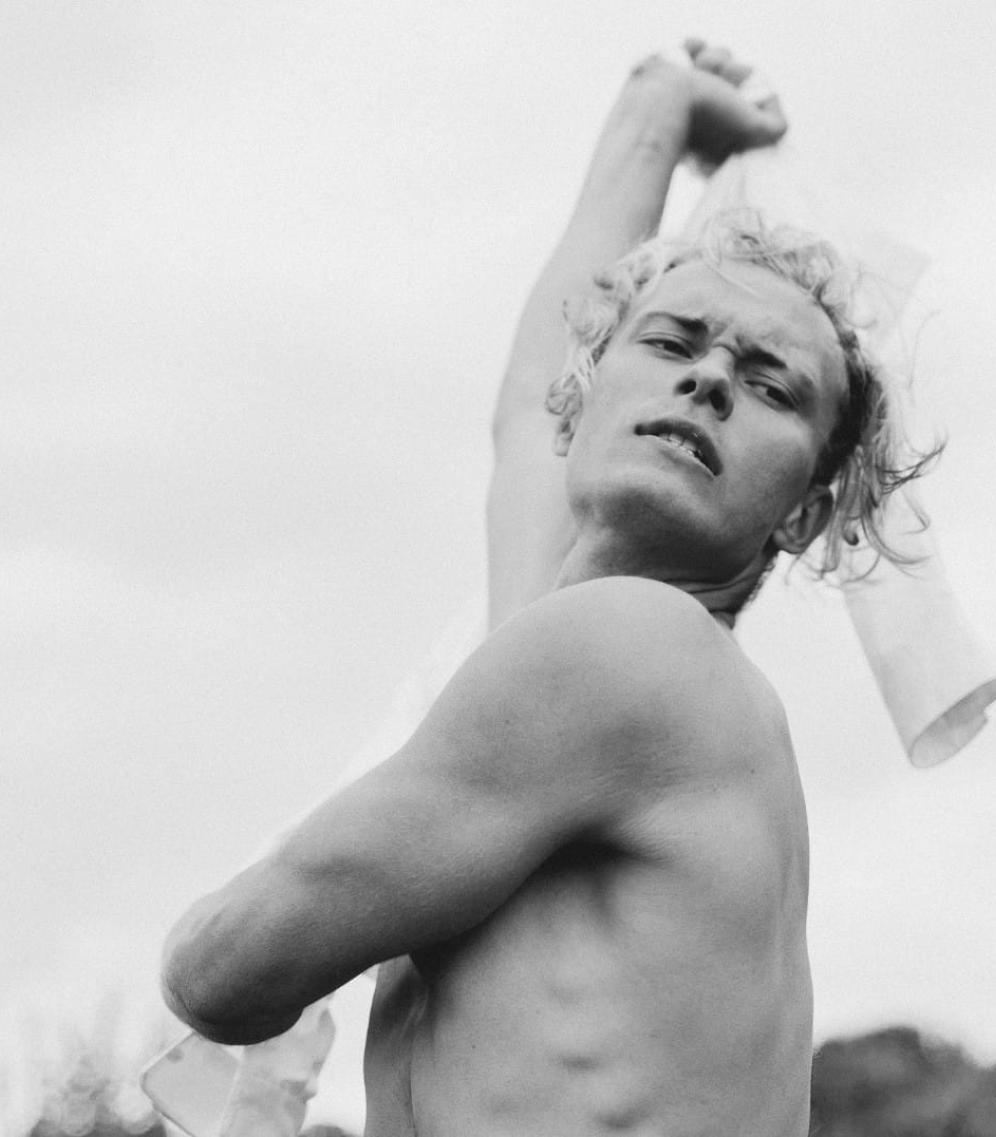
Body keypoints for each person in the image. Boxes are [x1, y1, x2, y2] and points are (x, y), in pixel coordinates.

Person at [159, 43, 933, 1137]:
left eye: (769, 386)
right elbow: (529, 403)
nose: (708, 378)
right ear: (589, 396)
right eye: (671, 342)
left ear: (806, 512)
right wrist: (657, 114)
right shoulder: (576, 637)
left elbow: (225, 971)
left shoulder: (633, 651)